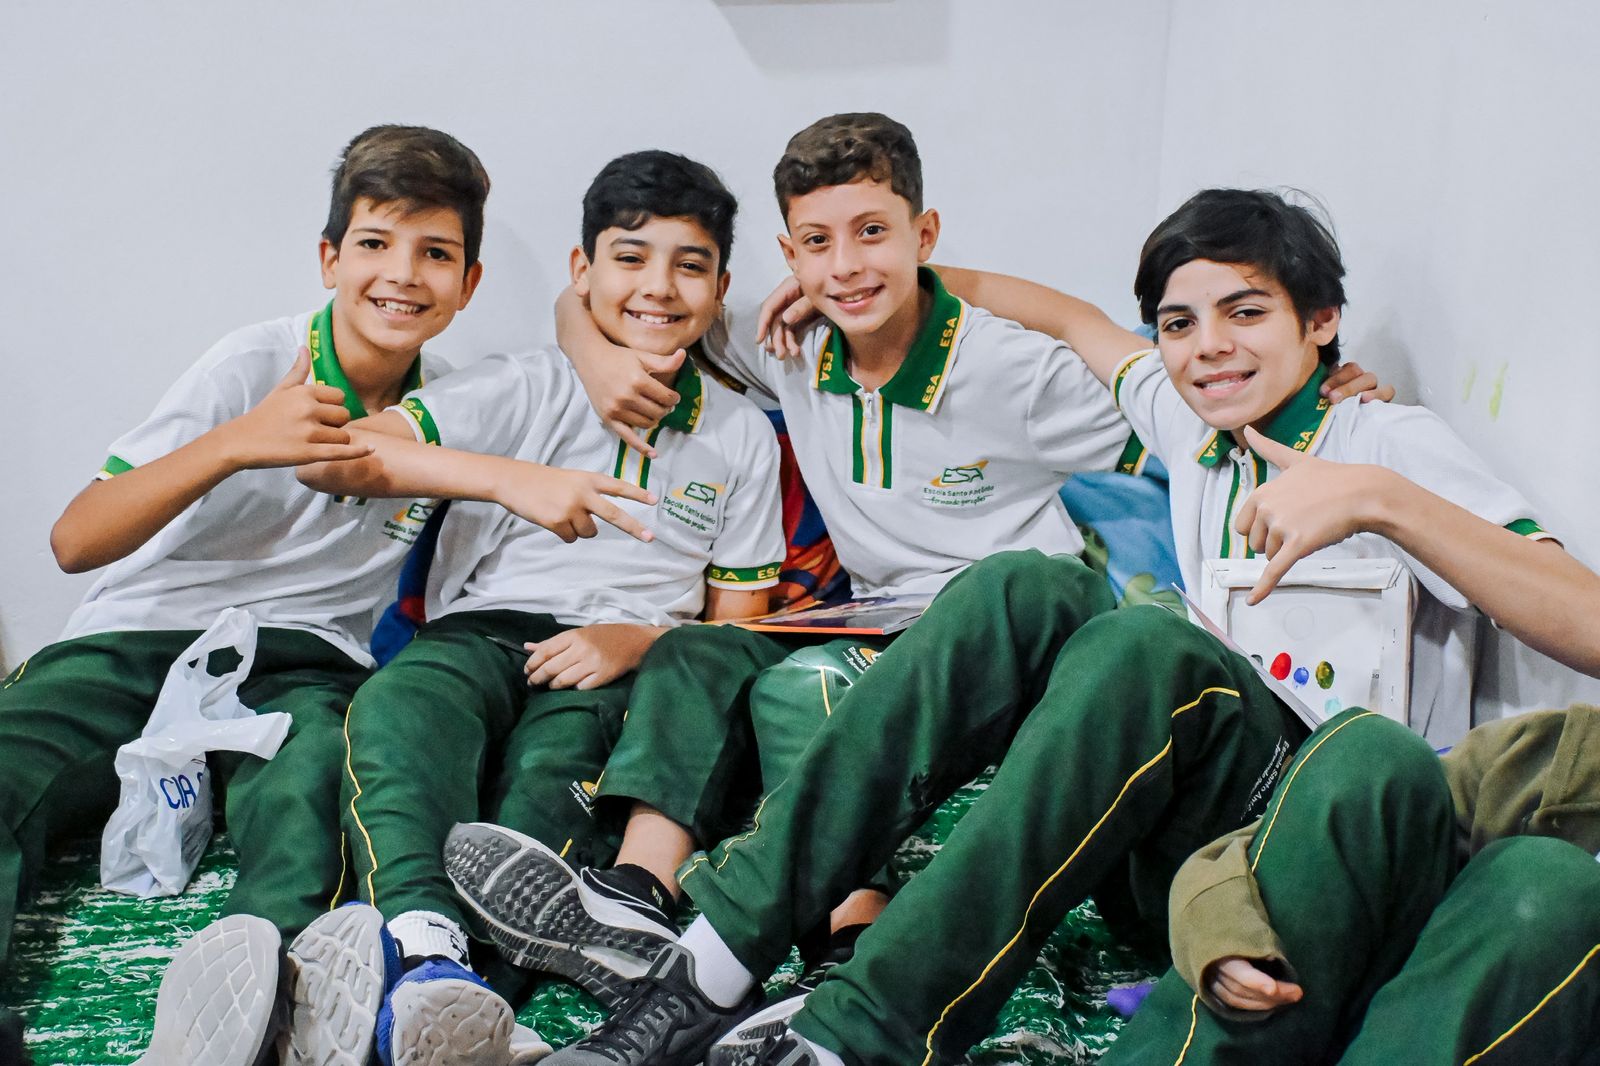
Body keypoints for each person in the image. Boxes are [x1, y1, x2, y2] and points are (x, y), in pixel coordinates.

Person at [525, 187, 1558, 1066]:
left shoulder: (1387, 442)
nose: (1209, 347)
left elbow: (1581, 617)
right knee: (1022, 585)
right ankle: (711, 961)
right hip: (1184, 862)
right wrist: (873, 281)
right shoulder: (1190, 421)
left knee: (1146, 644)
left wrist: (1382, 500)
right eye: (1179, 324)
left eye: (1245, 312)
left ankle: (853, 1032)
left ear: (1322, 321)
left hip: (1336, 838)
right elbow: (1066, 315)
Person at [443, 109, 1143, 1028]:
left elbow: (1177, 410)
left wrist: (1309, 387)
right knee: (695, 649)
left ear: (925, 236)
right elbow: (610, 299)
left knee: (801, 688)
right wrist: (594, 361)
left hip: (1011, 631)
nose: (845, 267)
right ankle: (637, 896)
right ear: (788, 255)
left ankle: (852, 938)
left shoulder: (1014, 369)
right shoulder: (792, 343)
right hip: (880, 620)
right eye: (818, 243)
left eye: (873, 234)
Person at [118, 127, 640, 1066]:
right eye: (374, 244)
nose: (402, 274)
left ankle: (257, 997)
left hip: (306, 661)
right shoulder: (255, 362)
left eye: (435, 254)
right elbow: (75, 540)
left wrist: (591, 356)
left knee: (314, 784)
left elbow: (574, 317)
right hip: (137, 633)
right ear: (329, 258)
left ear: (468, 283)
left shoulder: (455, 400)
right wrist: (234, 443)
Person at [1100, 428, 1600, 1064]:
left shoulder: (1391, 439)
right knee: (1371, 753)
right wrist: (1223, 935)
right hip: (1336, 981)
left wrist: (1378, 497)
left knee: (1550, 888)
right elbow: (1242, 856)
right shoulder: (1564, 762)